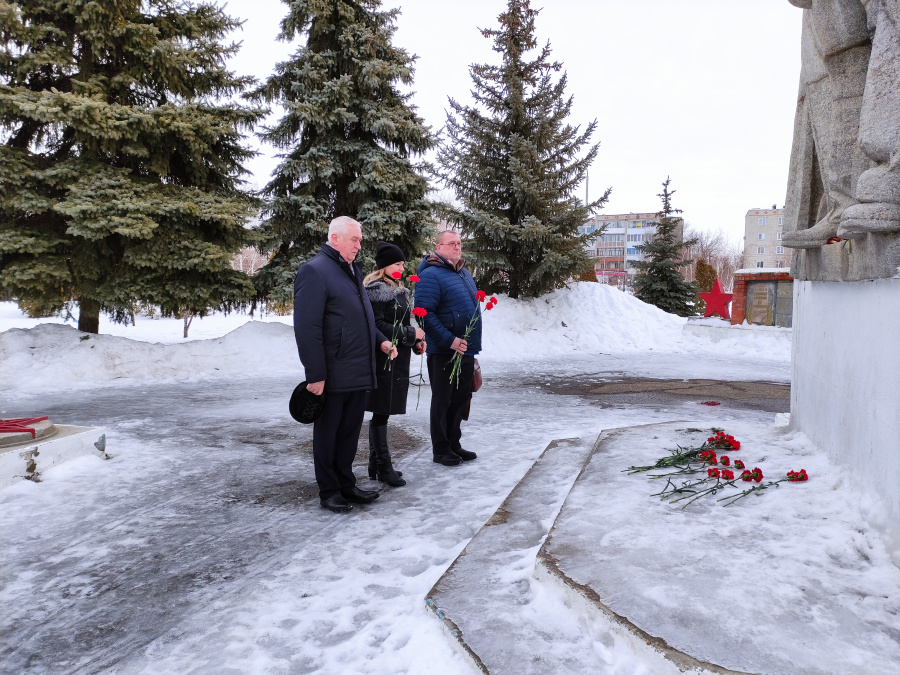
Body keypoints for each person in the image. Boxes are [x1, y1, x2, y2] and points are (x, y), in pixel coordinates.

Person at [293, 216, 397, 513]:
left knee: (350, 432)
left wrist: (380, 340)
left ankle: (346, 483)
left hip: (358, 369)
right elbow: (307, 328)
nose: (359, 245)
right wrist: (315, 374)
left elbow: (362, 318)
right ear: (335, 238)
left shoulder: (351, 270)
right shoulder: (315, 271)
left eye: (360, 240)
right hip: (333, 372)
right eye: (355, 239)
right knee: (328, 433)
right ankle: (329, 490)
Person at [414, 230, 481, 466]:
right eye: (451, 243)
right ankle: (440, 449)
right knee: (443, 400)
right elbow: (423, 314)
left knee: (461, 398)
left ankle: (454, 443)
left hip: (465, 349)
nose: (457, 247)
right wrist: (448, 339)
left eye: (459, 243)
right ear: (438, 247)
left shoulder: (462, 273)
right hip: (444, 350)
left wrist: (469, 343)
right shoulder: (431, 274)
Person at [363, 242, 427, 487]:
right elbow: (378, 326)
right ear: (384, 266)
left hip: (398, 356)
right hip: (384, 357)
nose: (402, 267)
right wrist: (411, 333)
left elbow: (401, 322)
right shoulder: (376, 290)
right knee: (381, 410)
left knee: (384, 410)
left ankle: (375, 464)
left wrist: (415, 342)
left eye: (402, 263)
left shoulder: (399, 290)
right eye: (397, 264)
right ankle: (383, 466)